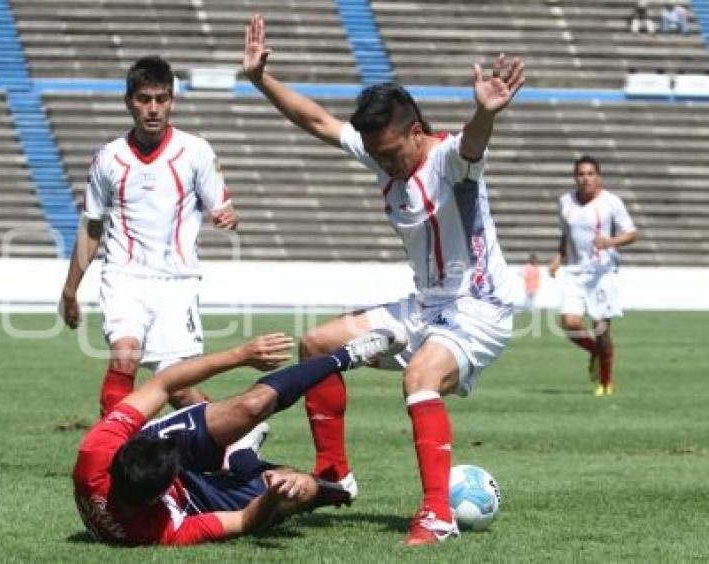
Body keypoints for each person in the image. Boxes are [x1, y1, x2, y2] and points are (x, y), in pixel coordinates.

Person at [242, 15, 524, 546]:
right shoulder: (383, 154)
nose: (384, 163)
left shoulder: (447, 159)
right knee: (317, 344)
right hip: (425, 306)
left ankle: (438, 516)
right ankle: (334, 474)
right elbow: (320, 123)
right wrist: (261, 80)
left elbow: (473, 145)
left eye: (391, 152)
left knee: (419, 378)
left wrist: (484, 114)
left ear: (416, 132)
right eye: (376, 155)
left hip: (478, 308)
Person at [73, 329, 401, 546]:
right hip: (193, 500)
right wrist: (273, 497)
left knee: (253, 405)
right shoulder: (157, 532)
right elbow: (244, 521)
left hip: (149, 468)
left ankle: (344, 356)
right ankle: (245, 457)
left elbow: (163, 384)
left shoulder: (97, 453)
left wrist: (241, 355)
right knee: (300, 489)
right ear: (153, 499)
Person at [59, 56, 238, 415]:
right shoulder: (109, 158)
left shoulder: (196, 151)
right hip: (124, 276)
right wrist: (70, 289)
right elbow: (92, 226)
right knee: (124, 355)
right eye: (144, 99)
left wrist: (228, 217)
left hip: (177, 281)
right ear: (129, 101)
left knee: (179, 388)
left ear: (172, 100)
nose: (153, 108)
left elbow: (222, 206)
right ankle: (110, 458)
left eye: (162, 98)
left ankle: (233, 446)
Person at [548, 156, 639, 396]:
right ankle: (596, 353)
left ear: (598, 177)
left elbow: (631, 233)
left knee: (601, 329)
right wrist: (559, 257)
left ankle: (606, 383)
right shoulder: (565, 202)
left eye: (590, 174)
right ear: (575, 177)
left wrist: (609, 242)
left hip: (602, 273)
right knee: (569, 323)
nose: (585, 178)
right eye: (581, 174)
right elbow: (566, 235)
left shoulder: (611, 202)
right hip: (576, 272)